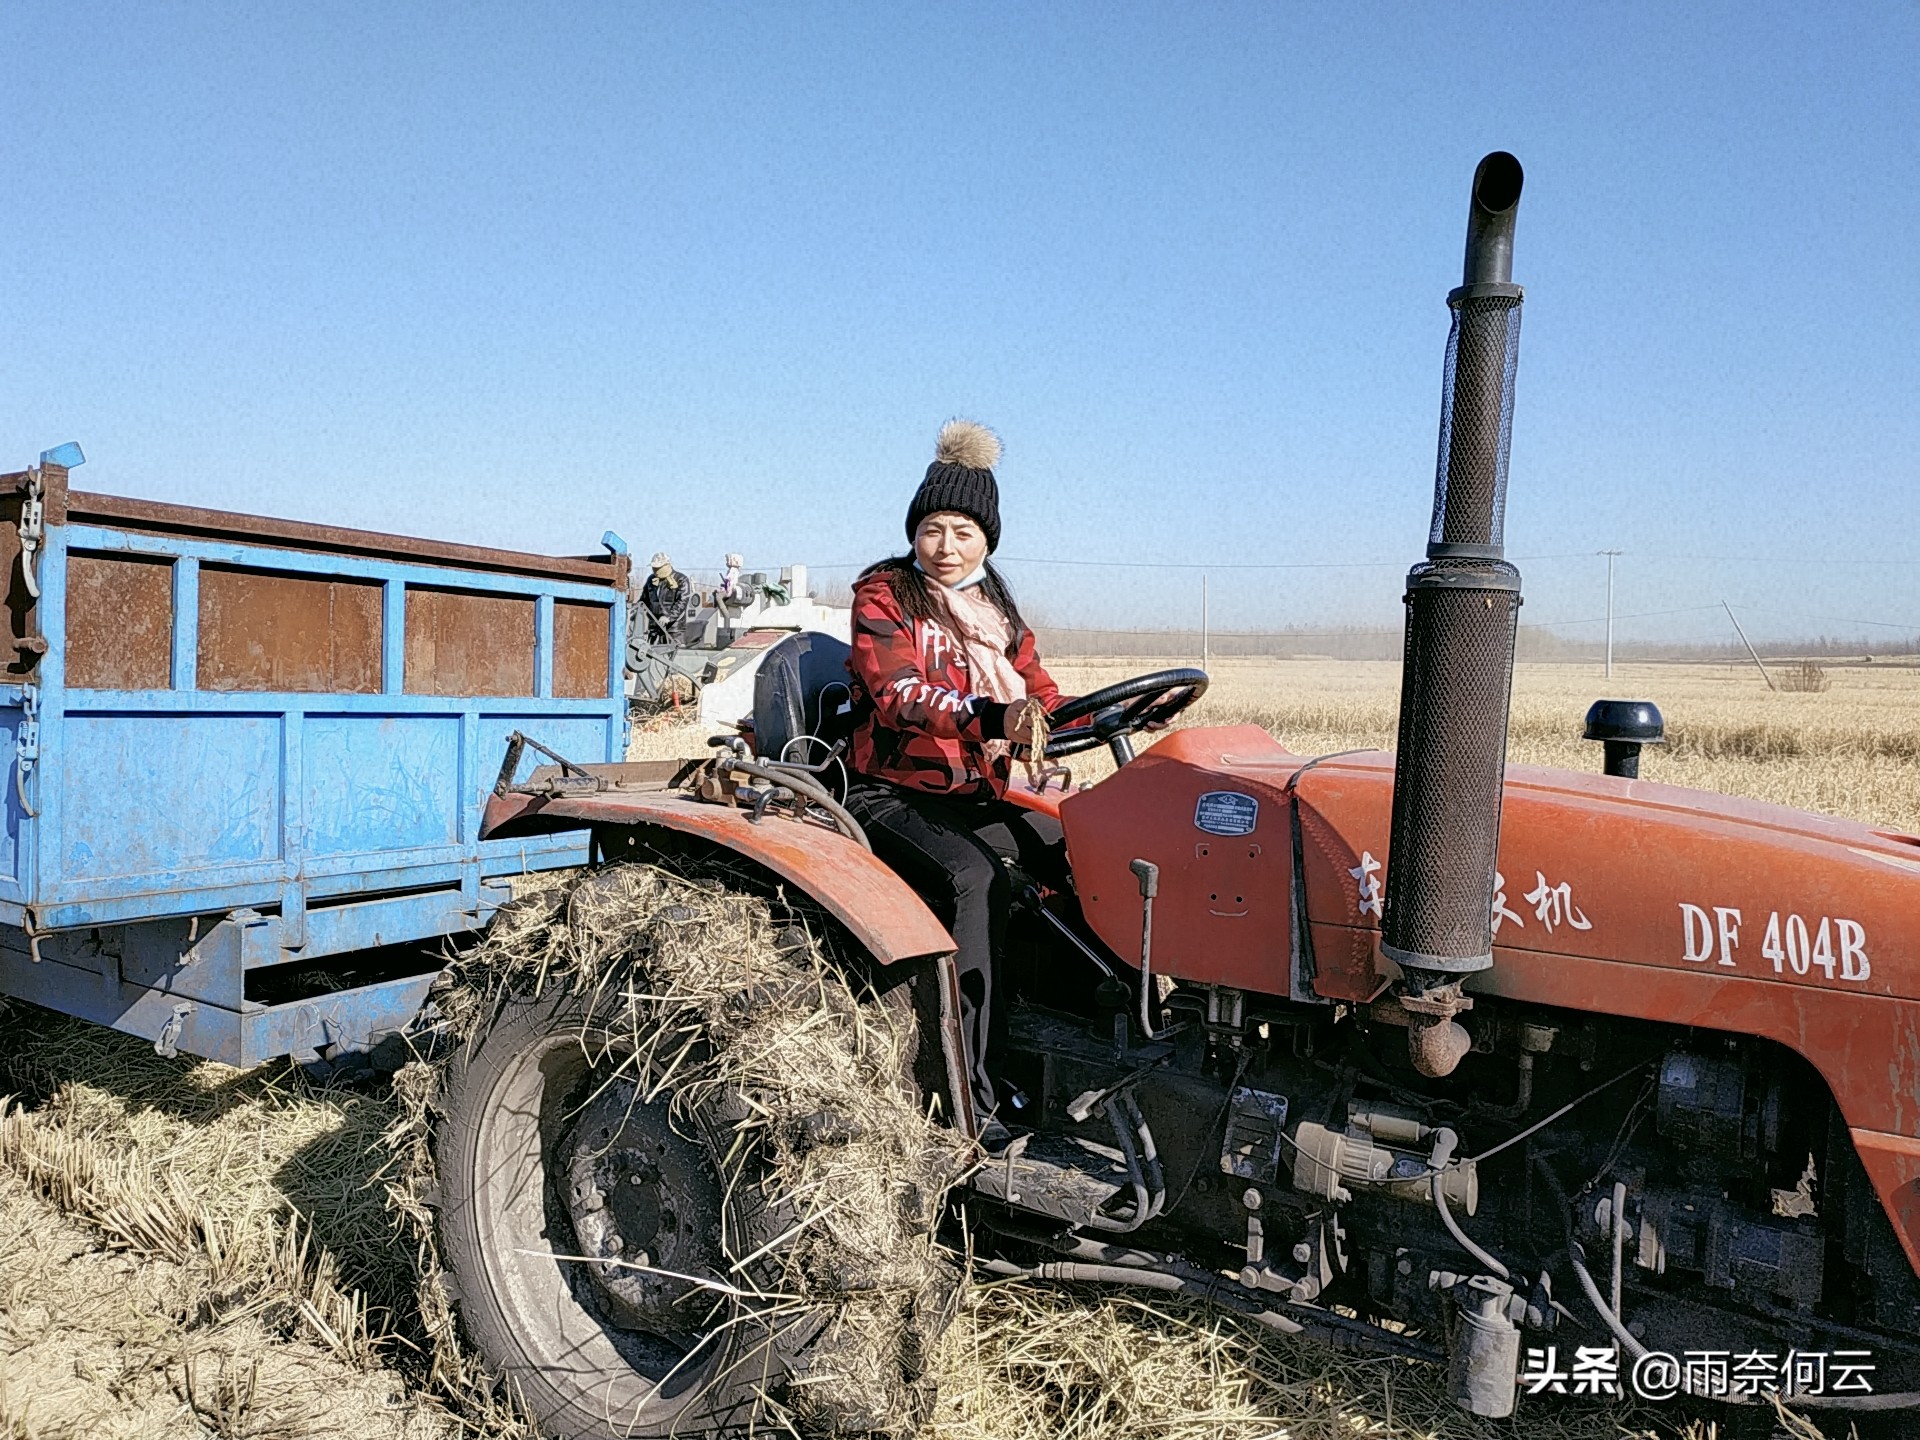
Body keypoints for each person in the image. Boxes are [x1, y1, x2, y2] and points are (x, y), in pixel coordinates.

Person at [843, 419, 1072, 1149]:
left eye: (964, 532)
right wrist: (993, 715)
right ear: (916, 531)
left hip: (968, 791)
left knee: (1065, 848)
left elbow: (1041, 692)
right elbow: (899, 694)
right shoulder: (886, 595)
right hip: (887, 788)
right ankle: (970, 1094)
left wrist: (1073, 722)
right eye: (934, 528)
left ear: (986, 541)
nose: (947, 546)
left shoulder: (997, 613)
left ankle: (1073, 1044)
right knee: (976, 878)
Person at [639, 552, 692, 644]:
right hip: (655, 628)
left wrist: (669, 617)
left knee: (672, 656)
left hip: (674, 629)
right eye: (654, 568)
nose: (655, 570)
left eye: (658, 568)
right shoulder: (651, 580)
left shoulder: (681, 580)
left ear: (667, 565)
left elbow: (682, 601)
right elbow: (644, 600)